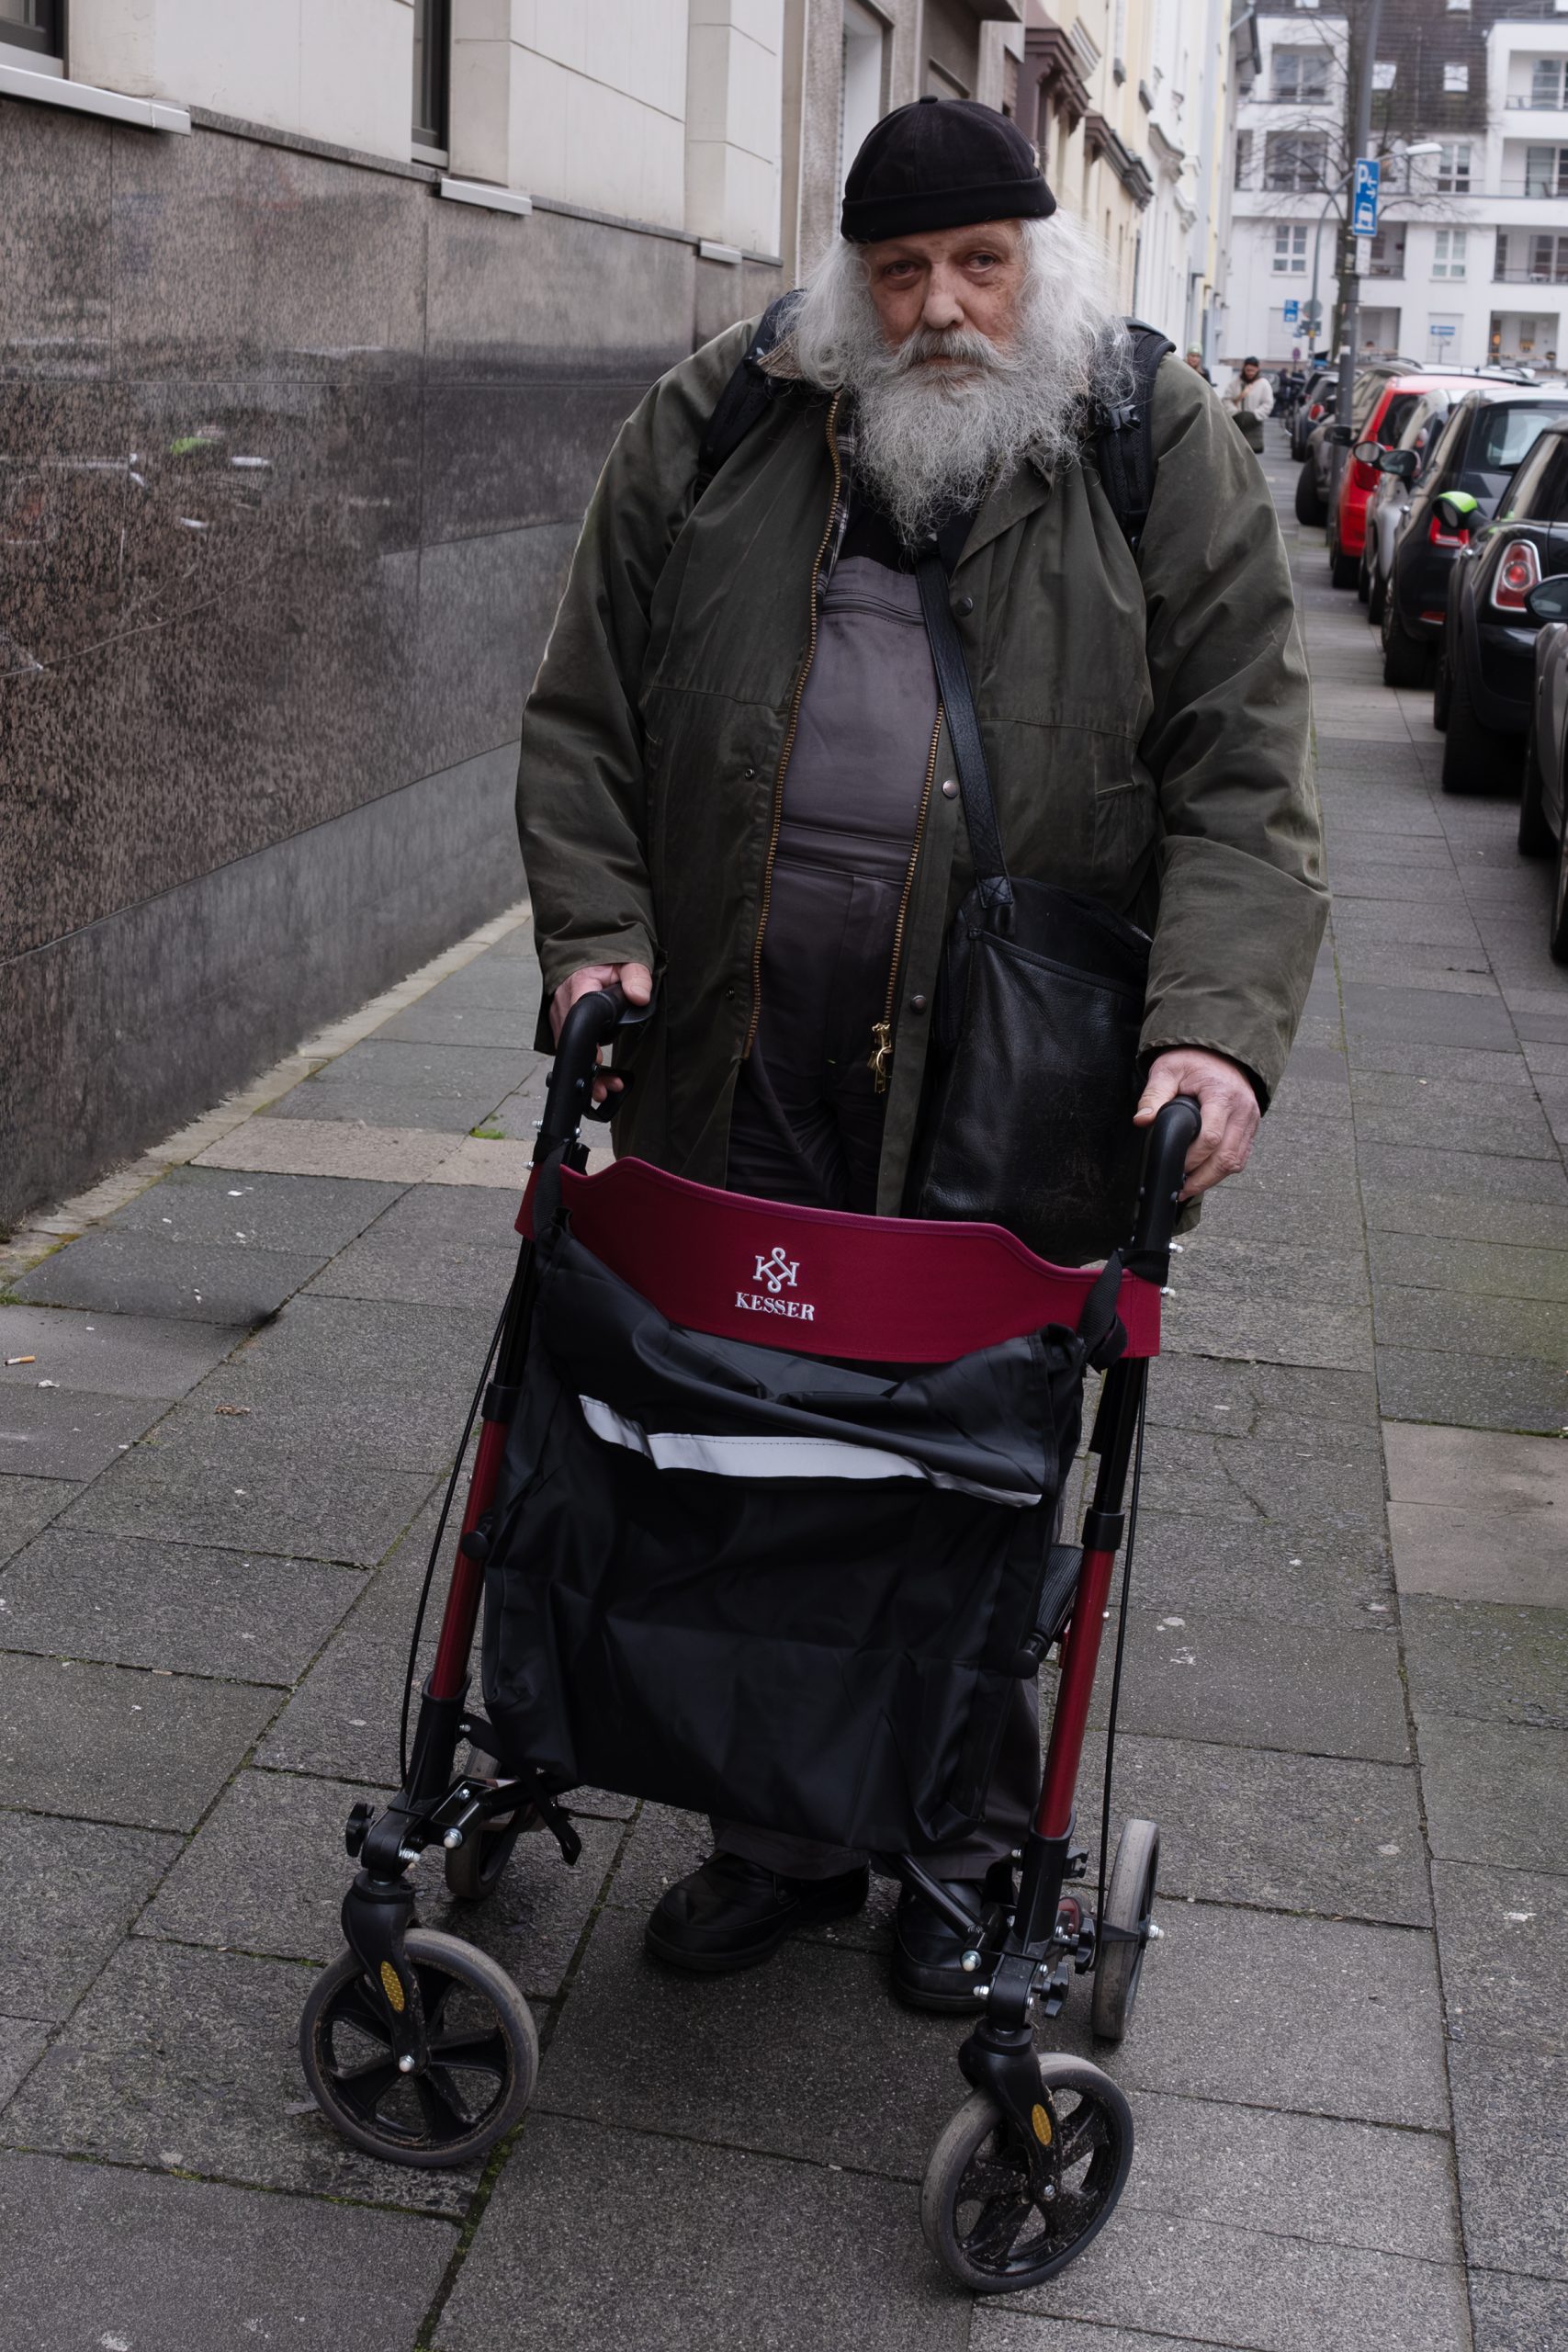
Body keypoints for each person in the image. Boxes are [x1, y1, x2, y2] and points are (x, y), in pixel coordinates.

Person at [514, 97, 1325, 2008]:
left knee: (962, 1463)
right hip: (735, 1055)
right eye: (898, 272)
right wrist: (596, 933)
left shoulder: (1148, 437)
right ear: (849, 278)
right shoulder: (721, 419)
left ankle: (960, 1852)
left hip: (1008, 1081)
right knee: (748, 1440)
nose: (940, 307)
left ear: (1038, 260)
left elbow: (1241, 769)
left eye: (977, 263)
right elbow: (584, 714)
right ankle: (777, 1834)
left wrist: (1211, 1033)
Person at [1224, 354, 1274, 452]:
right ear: (1244, 368)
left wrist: (1255, 415)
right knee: (1235, 452)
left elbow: (1268, 403)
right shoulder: (1234, 383)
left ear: (1257, 369)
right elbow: (1226, 400)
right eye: (1248, 370)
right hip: (1236, 423)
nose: (1250, 373)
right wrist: (1236, 413)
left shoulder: (1263, 384)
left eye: (1253, 370)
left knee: (1251, 453)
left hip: (1254, 424)